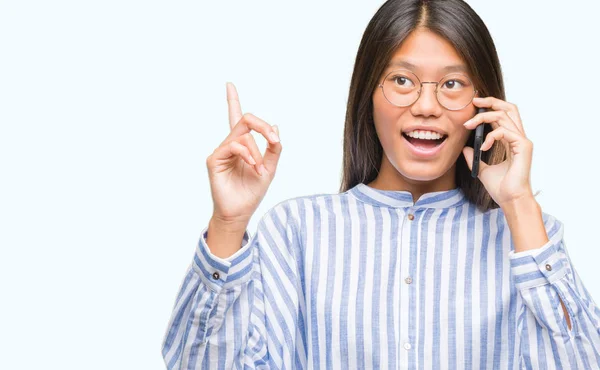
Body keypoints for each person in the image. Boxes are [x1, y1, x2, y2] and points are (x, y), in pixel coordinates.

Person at [161, 0, 600, 368]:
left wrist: (519, 204)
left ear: (483, 104)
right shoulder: (296, 232)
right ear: (368, 93)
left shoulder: (529, 241)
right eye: (402, 80)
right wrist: (227, 223)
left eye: (451, 83)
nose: (426, 105)